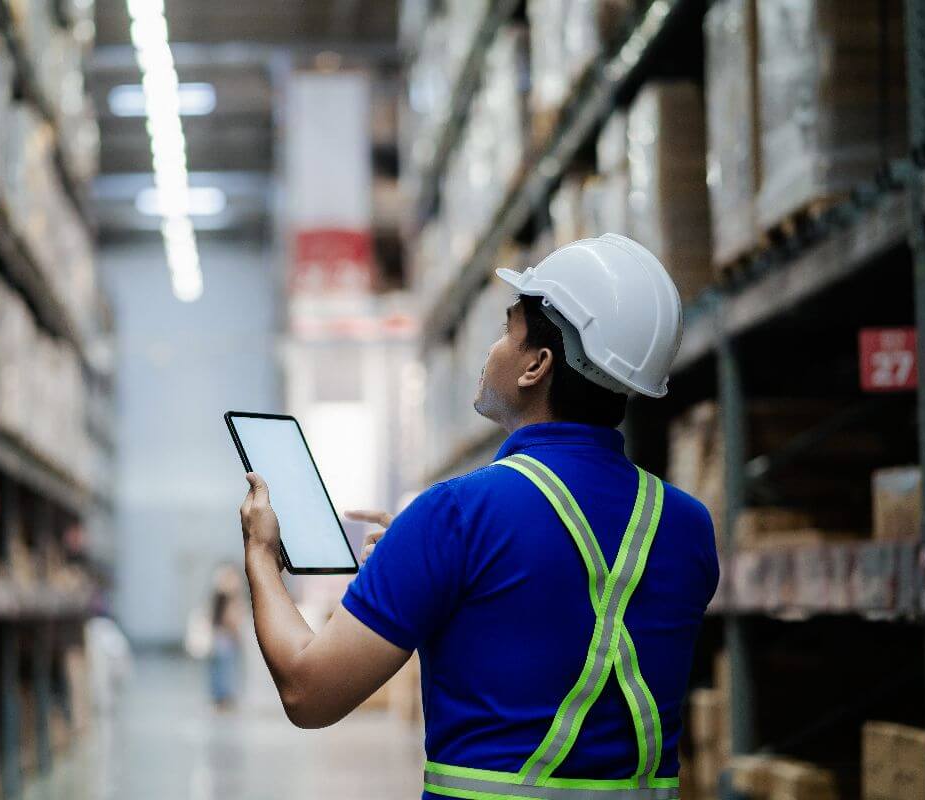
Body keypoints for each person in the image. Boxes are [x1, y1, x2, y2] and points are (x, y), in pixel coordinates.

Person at [239, 234, 719, 799]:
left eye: (505, 329)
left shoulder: (452, 518)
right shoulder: (688, 526)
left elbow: (308, 691)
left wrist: (262, 557)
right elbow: (563, 604)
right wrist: (446, 567)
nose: (491, 348)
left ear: (535, 366)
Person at [208, 563, 245, 710]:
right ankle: (223, 699)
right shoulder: (227, 597)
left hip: (221, 638)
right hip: (225, 638)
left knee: (220, 670)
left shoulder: (219, 596)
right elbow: (230, 619)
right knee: (225, 670)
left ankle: (220, 698)